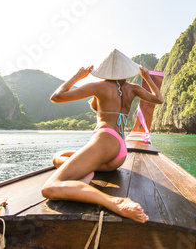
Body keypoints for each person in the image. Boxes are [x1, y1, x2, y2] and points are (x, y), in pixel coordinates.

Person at [41, 49, 163, 223]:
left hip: (105, 140)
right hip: (119, 151)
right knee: (57, 158)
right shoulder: (133, 88)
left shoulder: (98, 86)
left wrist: (77, 77)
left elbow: (56, 97)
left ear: (105, 71)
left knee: (50, 188)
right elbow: (159, 99)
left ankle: (115, 202)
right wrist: (147, 78)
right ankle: (86, 172)